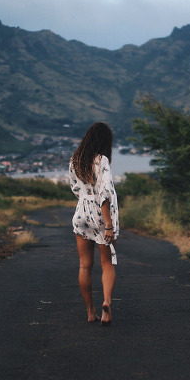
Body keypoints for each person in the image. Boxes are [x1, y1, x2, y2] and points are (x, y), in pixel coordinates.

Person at [69, 121, 119, 325]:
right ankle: (106, 303)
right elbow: (104, 192)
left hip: (80, 212)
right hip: (100, 214)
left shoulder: (75, 160)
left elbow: (74, 188)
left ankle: (90, 312)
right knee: (107, 263)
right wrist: (108, 223)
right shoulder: (102, 160)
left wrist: (85, 203)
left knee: (84, 265)